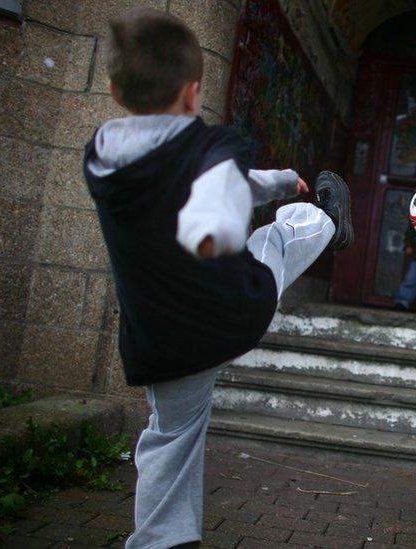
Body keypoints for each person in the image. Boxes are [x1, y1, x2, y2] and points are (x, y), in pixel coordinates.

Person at [82, 8, 353, 548]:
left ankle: (162, 541)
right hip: (229, 312)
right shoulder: (211, 152)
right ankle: (329, 219)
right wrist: (215, 229)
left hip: (160, 341)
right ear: (193, 93)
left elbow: (222, 182)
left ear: (114, 92)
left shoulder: (102, 161)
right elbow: (219, 193)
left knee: (170, 435)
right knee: (273, 240)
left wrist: (277, 181)